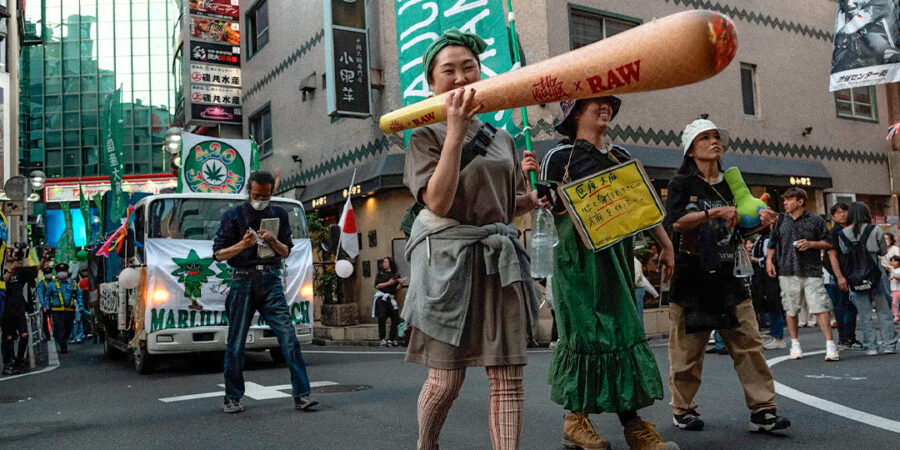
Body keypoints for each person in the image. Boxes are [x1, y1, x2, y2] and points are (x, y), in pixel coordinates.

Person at [402, 29, 540, 450]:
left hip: (499, 261)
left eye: (469, 68)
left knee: (507, 378)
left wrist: (530, 199)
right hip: (448, 266)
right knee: (446, 380)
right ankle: (427, 444)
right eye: (449, 70)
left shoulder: (503, 138)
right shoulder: (424, 136)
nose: (461, 77)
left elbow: (501, 205)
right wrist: (456, 132)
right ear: (431, 82)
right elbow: (440, 202)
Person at [534, 95, 678, 450]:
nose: (605, 107)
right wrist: (536, 190)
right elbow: (543, 209)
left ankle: (633, 427)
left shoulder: (621, 157)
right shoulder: (557, 158)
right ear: (575, 112)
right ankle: (575, 421)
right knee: (584, 337)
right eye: (595, 102)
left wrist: (666, 243)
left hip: (616, 262)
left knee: (622, 335)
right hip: (576, 266)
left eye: (609, 103)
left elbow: (645, 209)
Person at [665, 118, 790, 433]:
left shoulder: (732, 183)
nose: (714, 142)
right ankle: (683, 409)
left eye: (716, 136)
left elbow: (742, 225)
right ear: (691, 150)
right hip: (691, 273)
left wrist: (761, 221)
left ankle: (763, 410)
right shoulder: (682, 183)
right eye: (705, 138)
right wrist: (713, 213)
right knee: (687, 351)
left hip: (729, 272)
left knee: (748, 342)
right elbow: (675, 223)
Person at [212, 171, 317, 413]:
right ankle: (232, 396)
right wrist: (243, 245)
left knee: (288, 338)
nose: (261, 199)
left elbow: (286, 251)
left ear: (272, 193)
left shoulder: (278, 214)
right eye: (257, 195)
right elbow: (218, 253)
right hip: (243, 280)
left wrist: (272, 240)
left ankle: (302, 394)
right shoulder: (233, 215)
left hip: (271, 279)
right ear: (249, 191)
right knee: (236, 342)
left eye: (266, 195)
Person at [765, 187, 839, 361]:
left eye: (789, 200)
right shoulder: (780, 221)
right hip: (786, 270)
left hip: (812, 270)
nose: (785, 203)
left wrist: (811, 244)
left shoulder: (816, 220)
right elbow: (772, 244)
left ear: (800, 202)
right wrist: (769, 261)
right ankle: (795, 344)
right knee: (791, 309)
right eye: (784, 200)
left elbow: (828, 243)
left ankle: (830, 345)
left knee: (820, 307)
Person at [832, 202, 898, 355]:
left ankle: (871, 346)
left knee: (864, 312)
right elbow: (882, 251)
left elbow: (844, 251)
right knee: (883, 310)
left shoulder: (843, 233)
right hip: (875, 273)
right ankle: (888, 344)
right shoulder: (874, 229)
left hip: (855, 275)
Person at [823, 203, 862, 349]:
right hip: (837, 275)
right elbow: (832, 257)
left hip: (849, 274)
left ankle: (848, 337)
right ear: (833, 217)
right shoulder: (834, 232)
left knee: (849, 306)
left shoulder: (851, 230)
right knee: (843, 306)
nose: (842, 214)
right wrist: (839, 276)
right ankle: (845, 338)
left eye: (844, 211)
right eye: (837, 213)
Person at [1, 254, 35, 374]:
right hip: (6, 310)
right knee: (8, 337)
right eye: (8, 251)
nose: (11, 254)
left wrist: (43, 258)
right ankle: (8, 363)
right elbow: (3, 281)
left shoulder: (20, 271)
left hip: (19, 309)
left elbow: (35, 272)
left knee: (24, 335)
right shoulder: (2, 270)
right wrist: (10, 270)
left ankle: (19, 360)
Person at [45, 263, 81, 354]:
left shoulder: (73, 284)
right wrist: (47, 307)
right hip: (57, 311)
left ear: (67, 272)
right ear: (57, 273)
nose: (62, 273)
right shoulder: (52, 285)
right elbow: (47, 297)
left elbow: (78, 295)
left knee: (68, 328)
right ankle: (62, 345)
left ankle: (64, 341)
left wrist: (81, 305)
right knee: (60, 328)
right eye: (60, 271)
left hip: (70, 310)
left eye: (63, 271)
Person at [373, 257, 403, 347]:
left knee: (395, 318)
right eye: (383, 262)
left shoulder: (395, 274)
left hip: (391, 298)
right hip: (382, 298)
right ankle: (382, 338)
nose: (384, 263)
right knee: (382, 317)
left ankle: (392, 338)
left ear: (390, 263)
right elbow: (377, 286)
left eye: (385, 262)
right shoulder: (381, 274)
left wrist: (400, 283)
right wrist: (388, 283)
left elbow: (397, 289)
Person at [888, 255, 900, 323]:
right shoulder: (892, 270)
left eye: (895, 261)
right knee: (893, 303)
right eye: (892, 261)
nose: (893, 262)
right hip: (894, 290)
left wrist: (894, 277)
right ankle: (896, 316)